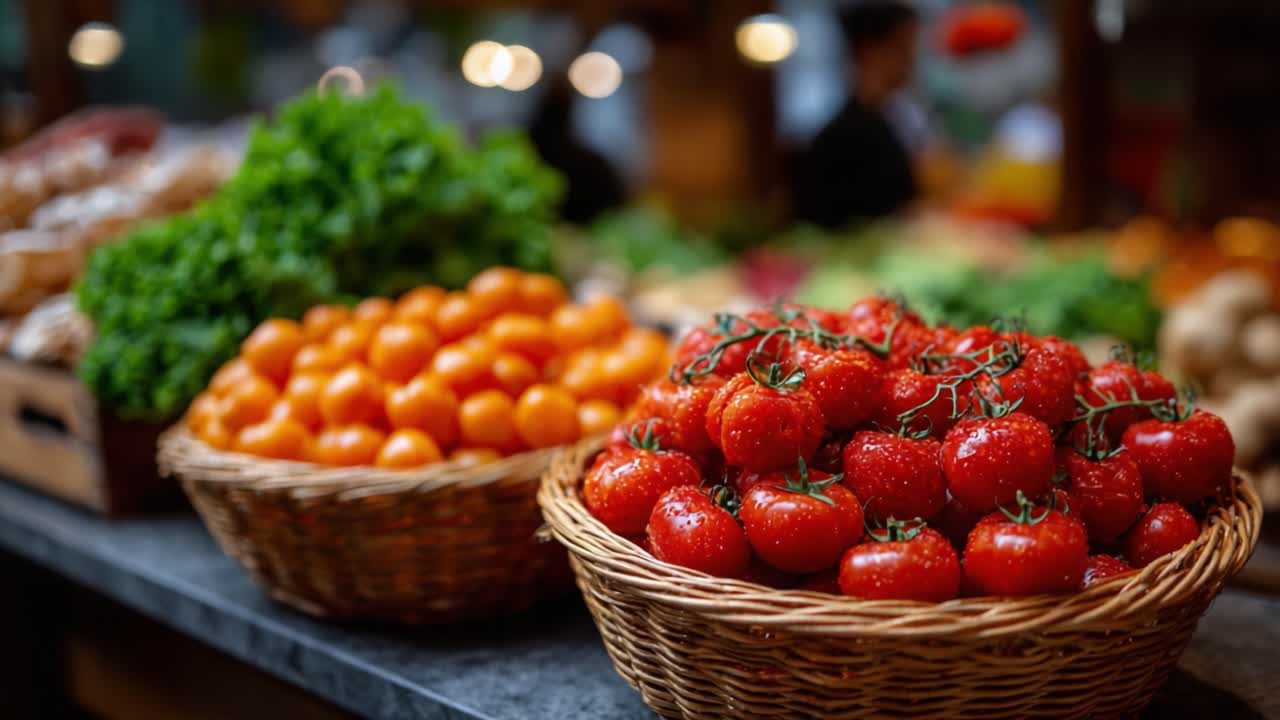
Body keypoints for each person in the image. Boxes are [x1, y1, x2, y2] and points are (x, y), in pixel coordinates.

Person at [793, 1, 920, 228]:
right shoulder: (840, 137)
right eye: (903, 48)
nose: (912, 61)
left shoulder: (887, 121)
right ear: (868, 50)